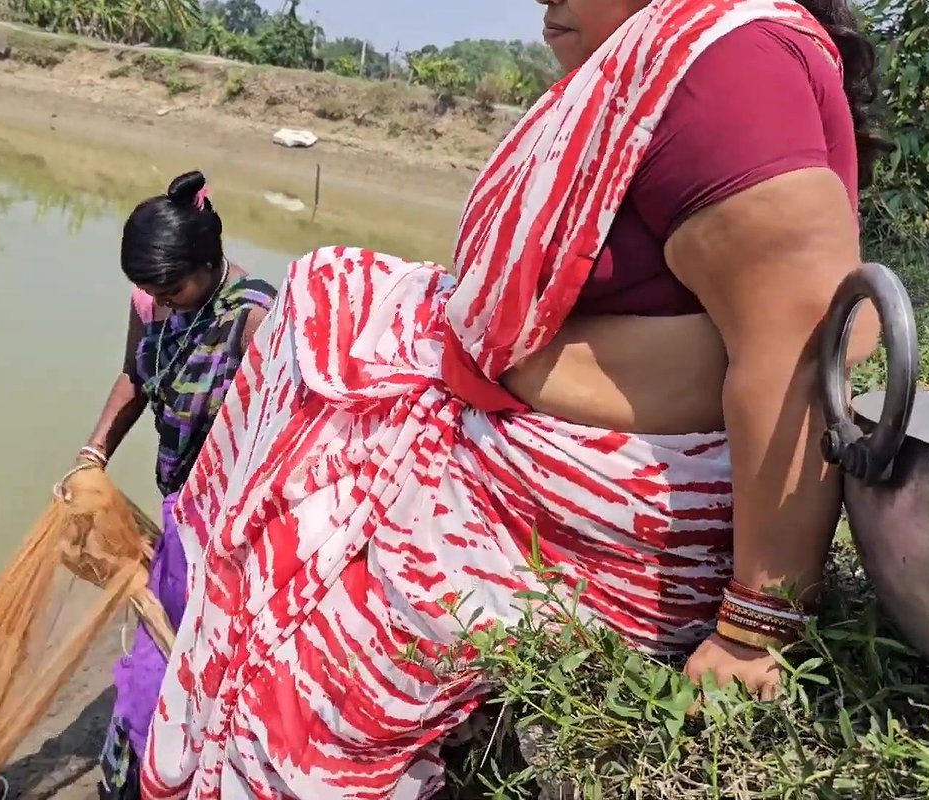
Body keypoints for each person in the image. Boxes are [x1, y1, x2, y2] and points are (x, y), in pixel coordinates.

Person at [140, 0, 885, 797]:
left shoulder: (727, 67)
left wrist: (752, 632)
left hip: (592, 519)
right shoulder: (675, 63)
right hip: (532, 452)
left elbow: (811, 344)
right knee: (328, 295)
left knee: (310, 660)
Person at [74, 171, 276, 800]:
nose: (162, 299)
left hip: (231, 523)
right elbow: (135, 376)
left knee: (192, 658)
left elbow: (281, 437)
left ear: (212, 263)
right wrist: (93, 453)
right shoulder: (153, 302)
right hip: (180, 505)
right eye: (150, 289)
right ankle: (132, 774)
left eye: (173, 287)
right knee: (163, 650)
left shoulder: (255, 319)